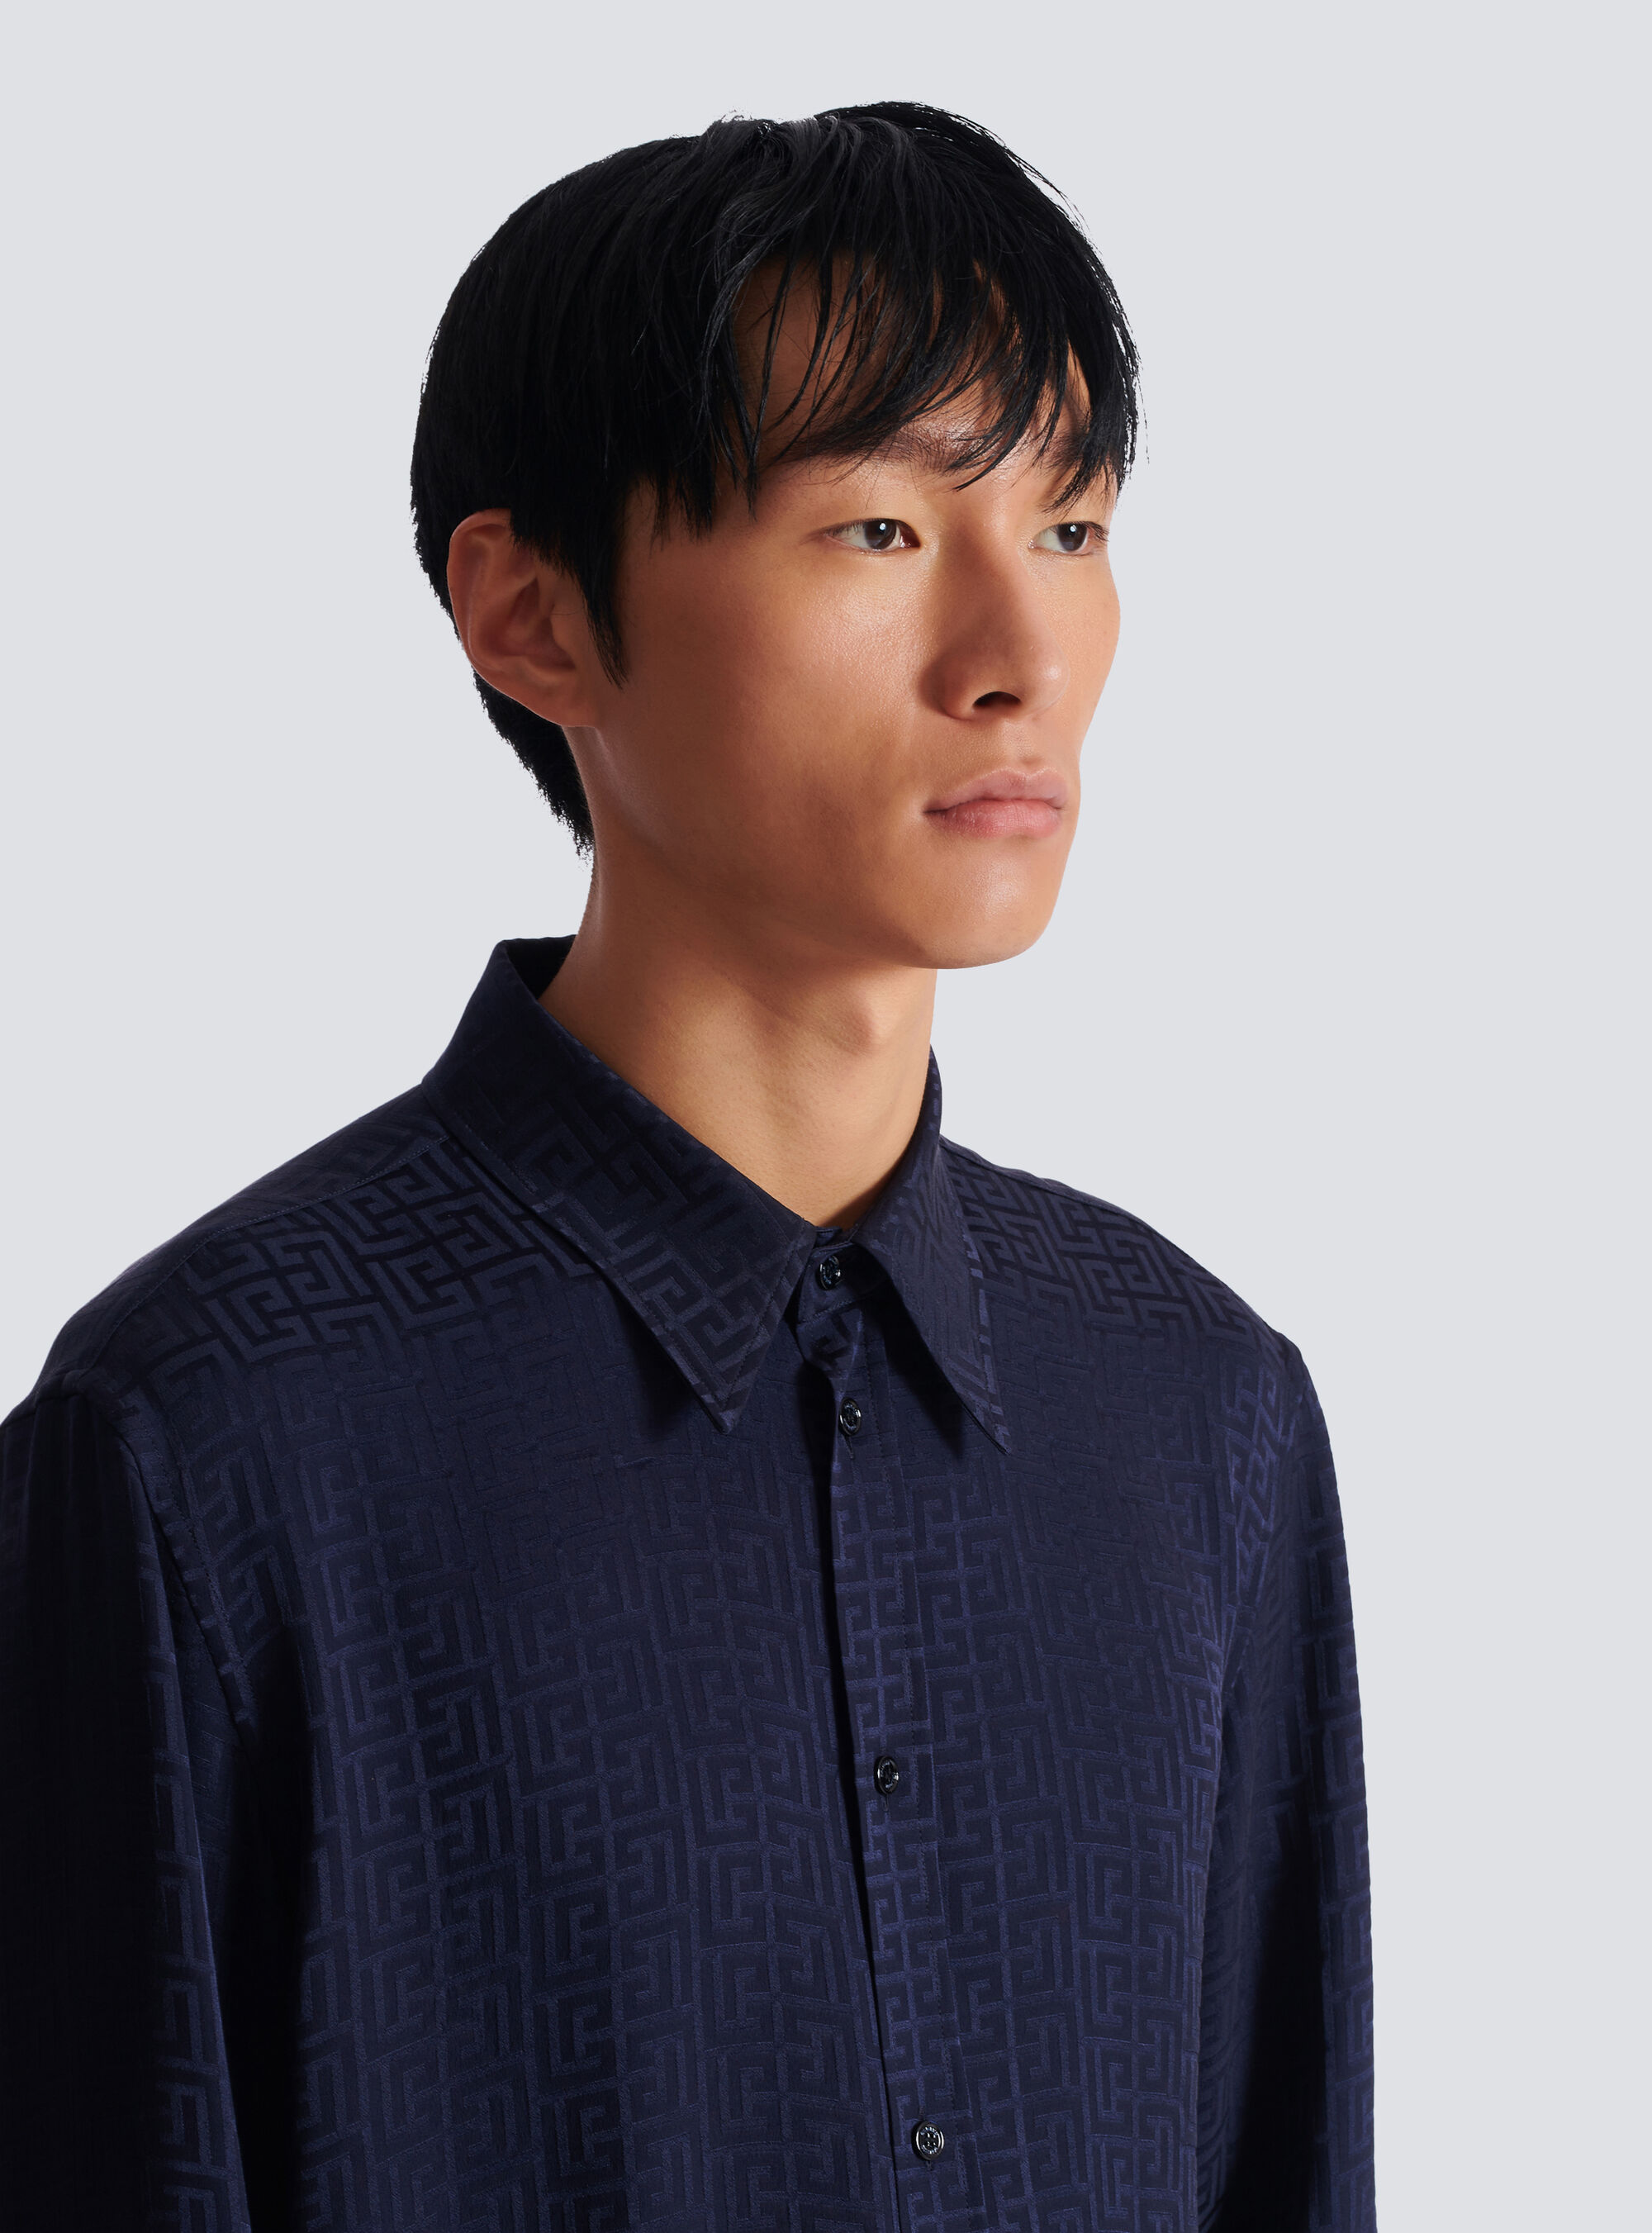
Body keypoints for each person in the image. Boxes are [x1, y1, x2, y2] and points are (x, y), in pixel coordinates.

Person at [0, 103, 1374, 2232]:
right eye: (880, 529)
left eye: (1072, 522)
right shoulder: (205, 1447)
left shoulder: (1203, 1414)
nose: (1019, 652)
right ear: (532, 614)